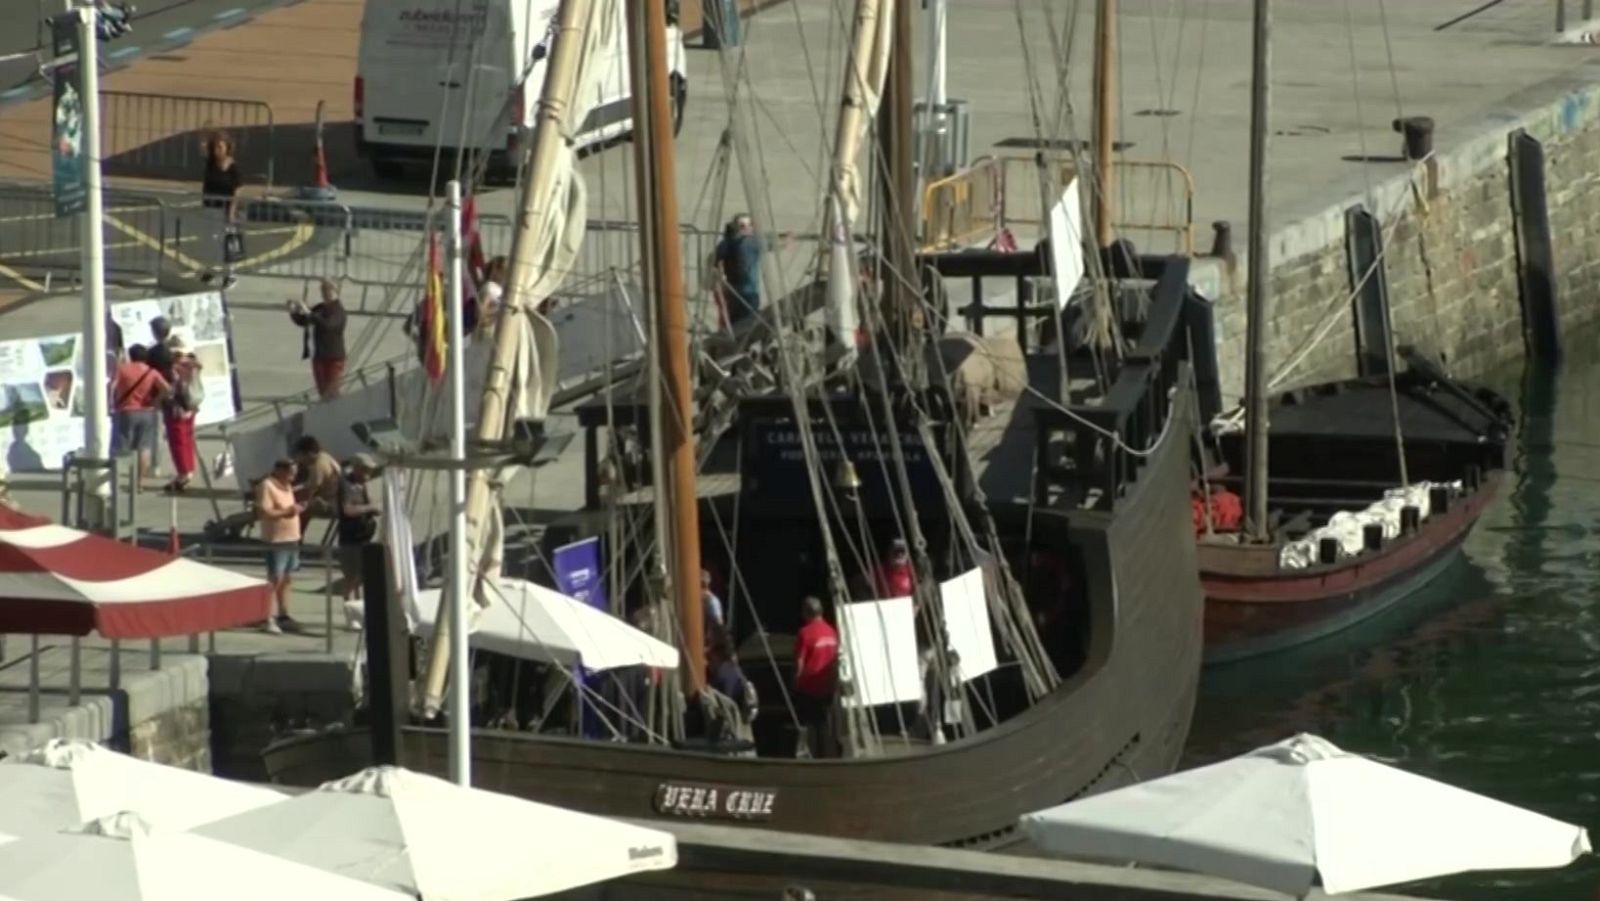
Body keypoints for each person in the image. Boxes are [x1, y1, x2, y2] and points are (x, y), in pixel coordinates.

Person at [714, 214, 791, 327]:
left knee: (732, 322)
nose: (747, 228)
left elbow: (716, 261)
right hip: (748, 291)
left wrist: (781, 235)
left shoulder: (725, 243)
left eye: (749, 225)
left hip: (731, 290)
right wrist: (786, 241)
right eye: (743, 226)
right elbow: (771, 244)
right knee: (747, 324)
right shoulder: (751, 242)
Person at [255, 458, 305, 634]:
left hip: (291, 538)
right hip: (276, 540)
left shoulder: (287, 486)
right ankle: (267, 615)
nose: (293, 476)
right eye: (291, 472)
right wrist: (287, 512)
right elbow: (265, 511)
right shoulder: (267, 486)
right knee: (275, 578)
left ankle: (283, 614)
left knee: (287, 578)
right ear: (280, 470)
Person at [111, 344, 170, 483]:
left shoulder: (122, 369)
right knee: (143, 447)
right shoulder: (151, 372)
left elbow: (112, 386)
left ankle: (116, 480)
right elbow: (167, 389)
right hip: (146, 411)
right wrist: (156, 401)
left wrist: (111, 404)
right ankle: (139, 482)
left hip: (125, 411)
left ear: (131, 356)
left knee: (120, 447)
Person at [793, 595, 840, 759]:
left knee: (810, 727)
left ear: (806, 613)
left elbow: (799, 663)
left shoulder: (804, 634)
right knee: (826, 725)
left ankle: (812, 758)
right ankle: (828, 756)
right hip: (828, 687)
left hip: (809, 687)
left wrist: (796, 684)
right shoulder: (832, 632)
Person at [287, 279, 348, 399]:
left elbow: (328, 325)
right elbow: (304, 321)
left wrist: (309, 313)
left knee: (332, 392)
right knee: (323, 391)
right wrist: (293, 312)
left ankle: (335, 413)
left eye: (329, 291)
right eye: (324, 291)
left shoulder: (339, 311)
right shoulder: (320, 308)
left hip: (334, 358)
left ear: (336, 292)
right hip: (319, 356)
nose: (326, 294)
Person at [161, 332, 204, 494]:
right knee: (187, 438)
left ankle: (183, 473)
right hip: (191, 407)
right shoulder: (194, 364)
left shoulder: (175, 368)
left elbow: (171, 389)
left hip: (176, 409)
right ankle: (189, 468)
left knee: (177, 441)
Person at [335, 454, 382, 603]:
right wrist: (369, 507)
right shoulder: (346, 485)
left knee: (362, 577)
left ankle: (359, 605)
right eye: (365, 470)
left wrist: (374, 509)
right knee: (351, 576)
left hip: (364, 536)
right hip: (351, 538)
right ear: (356, 468)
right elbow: (348, 510)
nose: (368, 474)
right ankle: (349, 606)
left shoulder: (363, 485)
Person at [199, 132, 243, 290]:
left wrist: (232, 211)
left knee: (228, 243)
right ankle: (210, 270)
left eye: (220, 146)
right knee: (210, 241)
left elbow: (237, 191)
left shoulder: (233, 167)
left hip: (225, 210)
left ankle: (230, 275)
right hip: (210, 208)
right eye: (215, 146)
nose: (217, 149)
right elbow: (202, 149)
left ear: (227, 148)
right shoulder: (211, 163)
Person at [292, 435, 342, 528]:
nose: (299, 460)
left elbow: (311, 491)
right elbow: (310, 483)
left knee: (298, 507)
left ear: (309, 453)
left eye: (300, 456)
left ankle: (296, 536)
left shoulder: (317, 467)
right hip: (338, 499)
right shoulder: (325, 456)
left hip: (332, 505)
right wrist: (295, 488)